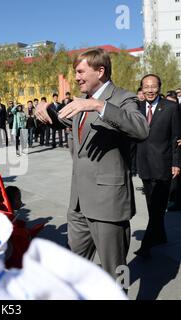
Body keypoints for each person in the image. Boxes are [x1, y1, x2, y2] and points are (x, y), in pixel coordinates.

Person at [35, 48, 149, 278]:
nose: (76, 77)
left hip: (108, 203)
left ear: (100, 71)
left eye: (80, 72)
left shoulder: (122, 98)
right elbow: (64, 121)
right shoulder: (82, 102)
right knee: (73, 271)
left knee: (114, 273)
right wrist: (45, 111)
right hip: (78, 203)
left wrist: (99, 106)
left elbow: (141, 128)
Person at [134, 74, 181, 258]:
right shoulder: (136, 108)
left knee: (157, 208)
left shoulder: (171, 107)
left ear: (159, 87)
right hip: (144, 165)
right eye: (146, 86)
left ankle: (146, 245)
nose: (150, 90)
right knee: (152, 206)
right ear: (142, 88)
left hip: (164, 165)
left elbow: (176, 138)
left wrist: (177, 163)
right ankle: (160, 236)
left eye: (153, 86)